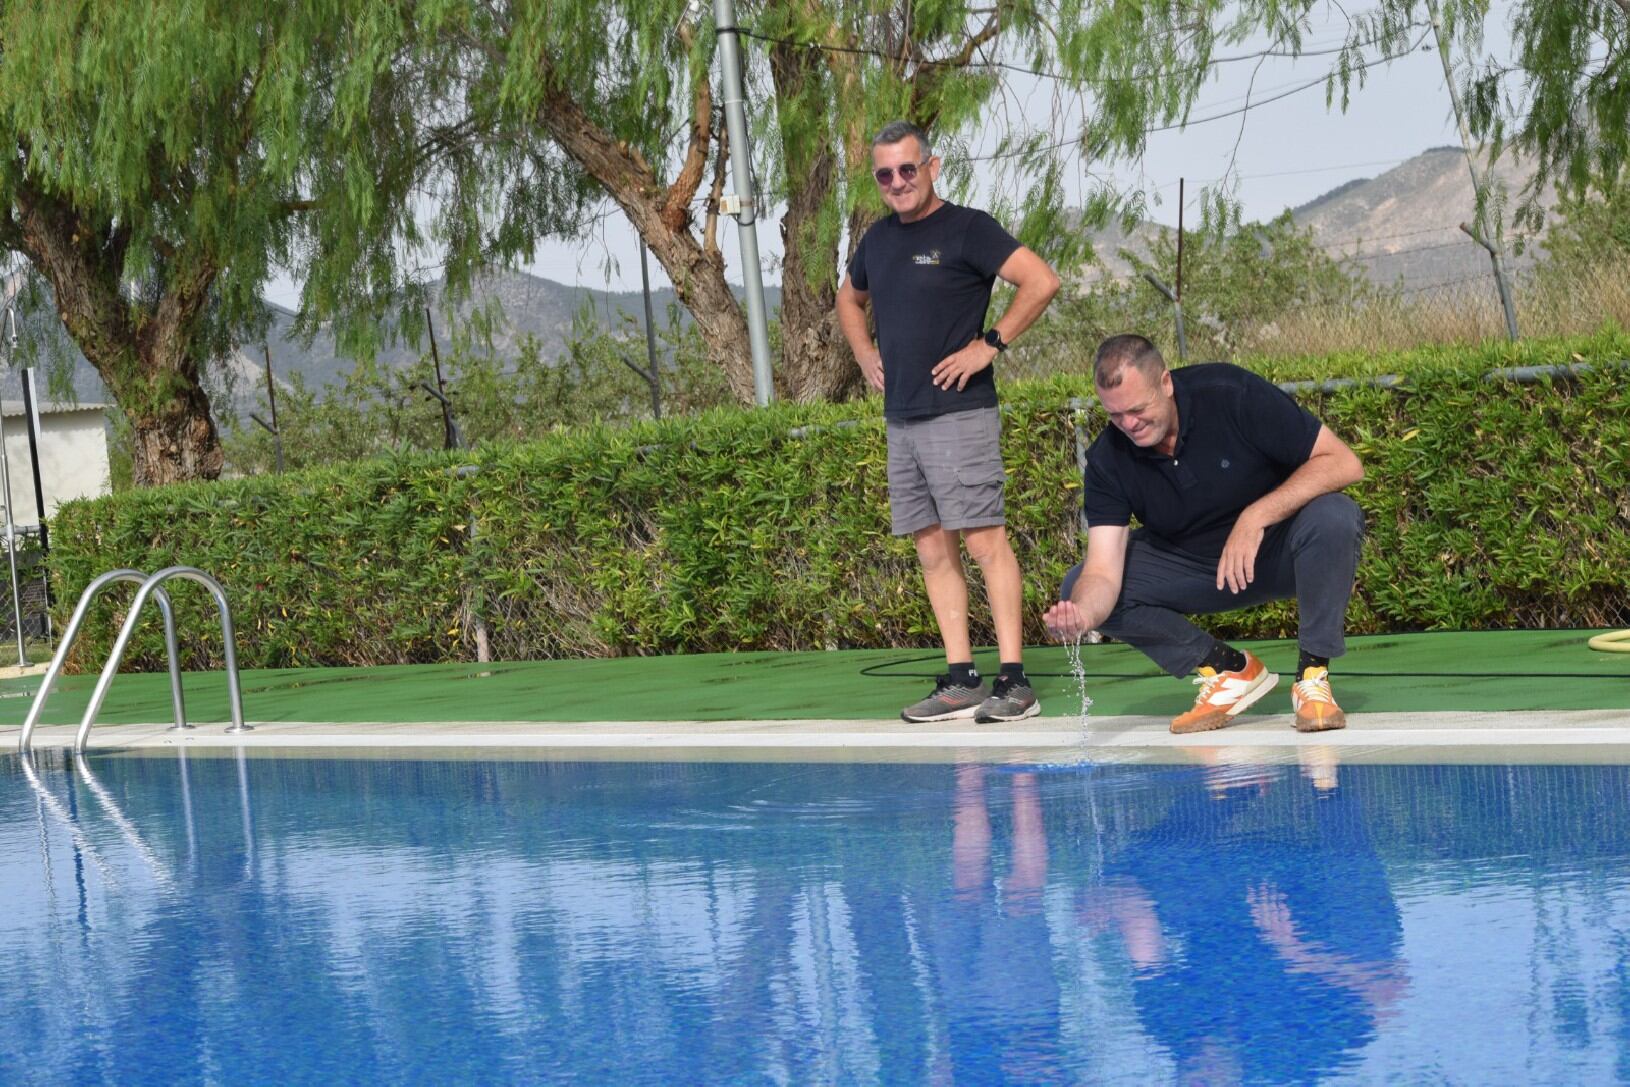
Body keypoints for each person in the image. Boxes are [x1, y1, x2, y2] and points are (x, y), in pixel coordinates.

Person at [836, 120, 1060, 724]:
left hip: (959, 415)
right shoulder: (878, 241)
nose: (898, 182)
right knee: (932, 551)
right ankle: (961, 678)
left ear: (932, 167)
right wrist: (863, 353)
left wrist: (989, 344)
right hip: (902, 418)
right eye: (885, 174)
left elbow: (1042, 281)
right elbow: (847, 299)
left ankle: (1015, 683)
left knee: (985, 543)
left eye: (908, 169)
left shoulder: (968, 228)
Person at [1042, 334, 1366, 732]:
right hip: (1195, 571)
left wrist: (1256, 516)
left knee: (1335, 514)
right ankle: (1229, 670)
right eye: (1115, 415)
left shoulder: (1231, 394)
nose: (1128, 424)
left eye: (1137, 409)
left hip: (1276, 552)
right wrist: (1082, 617)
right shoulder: (1109, 458)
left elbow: (1344, 463)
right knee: (1077, 584)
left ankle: (1312, 677)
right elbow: (1102, 572)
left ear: (1165, 383)